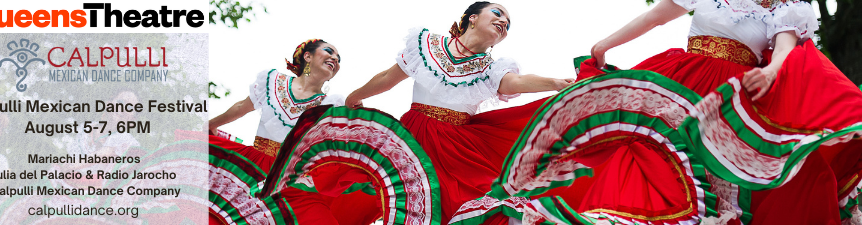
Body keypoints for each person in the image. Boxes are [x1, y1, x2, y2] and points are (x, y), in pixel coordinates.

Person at [480, 0, 862, 224]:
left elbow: (785, 49)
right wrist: (605, 44)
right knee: (645, 150)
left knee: (789, 175)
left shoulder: (786, 6)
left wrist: (772, 71)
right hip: (681, 79)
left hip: (732, 94)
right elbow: (655, 17)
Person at [319, 2, 574, 223]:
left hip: (456, 149)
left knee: (489, 202)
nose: (504, 22)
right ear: (472, 17)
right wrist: (355, 96)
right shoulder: (427, 46)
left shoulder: (490, 69)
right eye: (498, 13)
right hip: (413, 139)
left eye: (508, 24)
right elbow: (388, 77)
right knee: (407, 205)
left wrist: (554, 83)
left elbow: (514, 82)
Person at [206, 39, 381, 225]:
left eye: (339, 58)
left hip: (294, 184)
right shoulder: (272, 82)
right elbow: (241, 106)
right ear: (307, 56)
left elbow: (346, 147)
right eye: (329, 51)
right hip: (253, 169)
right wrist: (210, 125)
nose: (335, 59)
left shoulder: (333, 105)